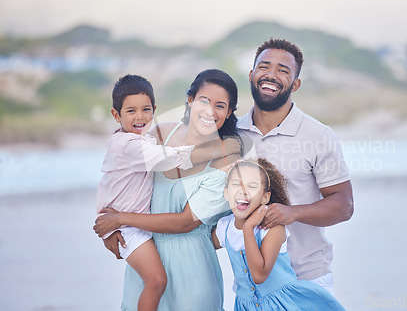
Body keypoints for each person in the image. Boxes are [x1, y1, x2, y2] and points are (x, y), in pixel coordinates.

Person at [94, 69, 241, 311]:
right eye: (204, 101)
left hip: (192, 271)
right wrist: (109, 227)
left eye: (220, 105)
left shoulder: (226, 164)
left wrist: (120, 219)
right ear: (190, 100)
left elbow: (185, 222)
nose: (210, 111)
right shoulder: (160, 133)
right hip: (145, 258)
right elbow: (120, 180)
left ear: (228, 112)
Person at [237, 38, 354, 295]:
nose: (271, 75)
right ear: (251, 75)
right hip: (250, 287)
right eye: (264, 66)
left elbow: (344, 205)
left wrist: (294, 213)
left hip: (306, 280)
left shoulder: (318, 135)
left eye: (283, 70)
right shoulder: (232, 133)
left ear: (296, 84)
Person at [212, 158, 345, 310]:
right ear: (226, 193)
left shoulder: (271, 228)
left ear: (265, 197)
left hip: (282, 304)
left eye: (252, 186)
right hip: (246, 306)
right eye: (236, 184)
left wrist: (248, 228)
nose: (243, 191)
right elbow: (200, 246)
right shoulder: (224, 227)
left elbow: (259, 276)